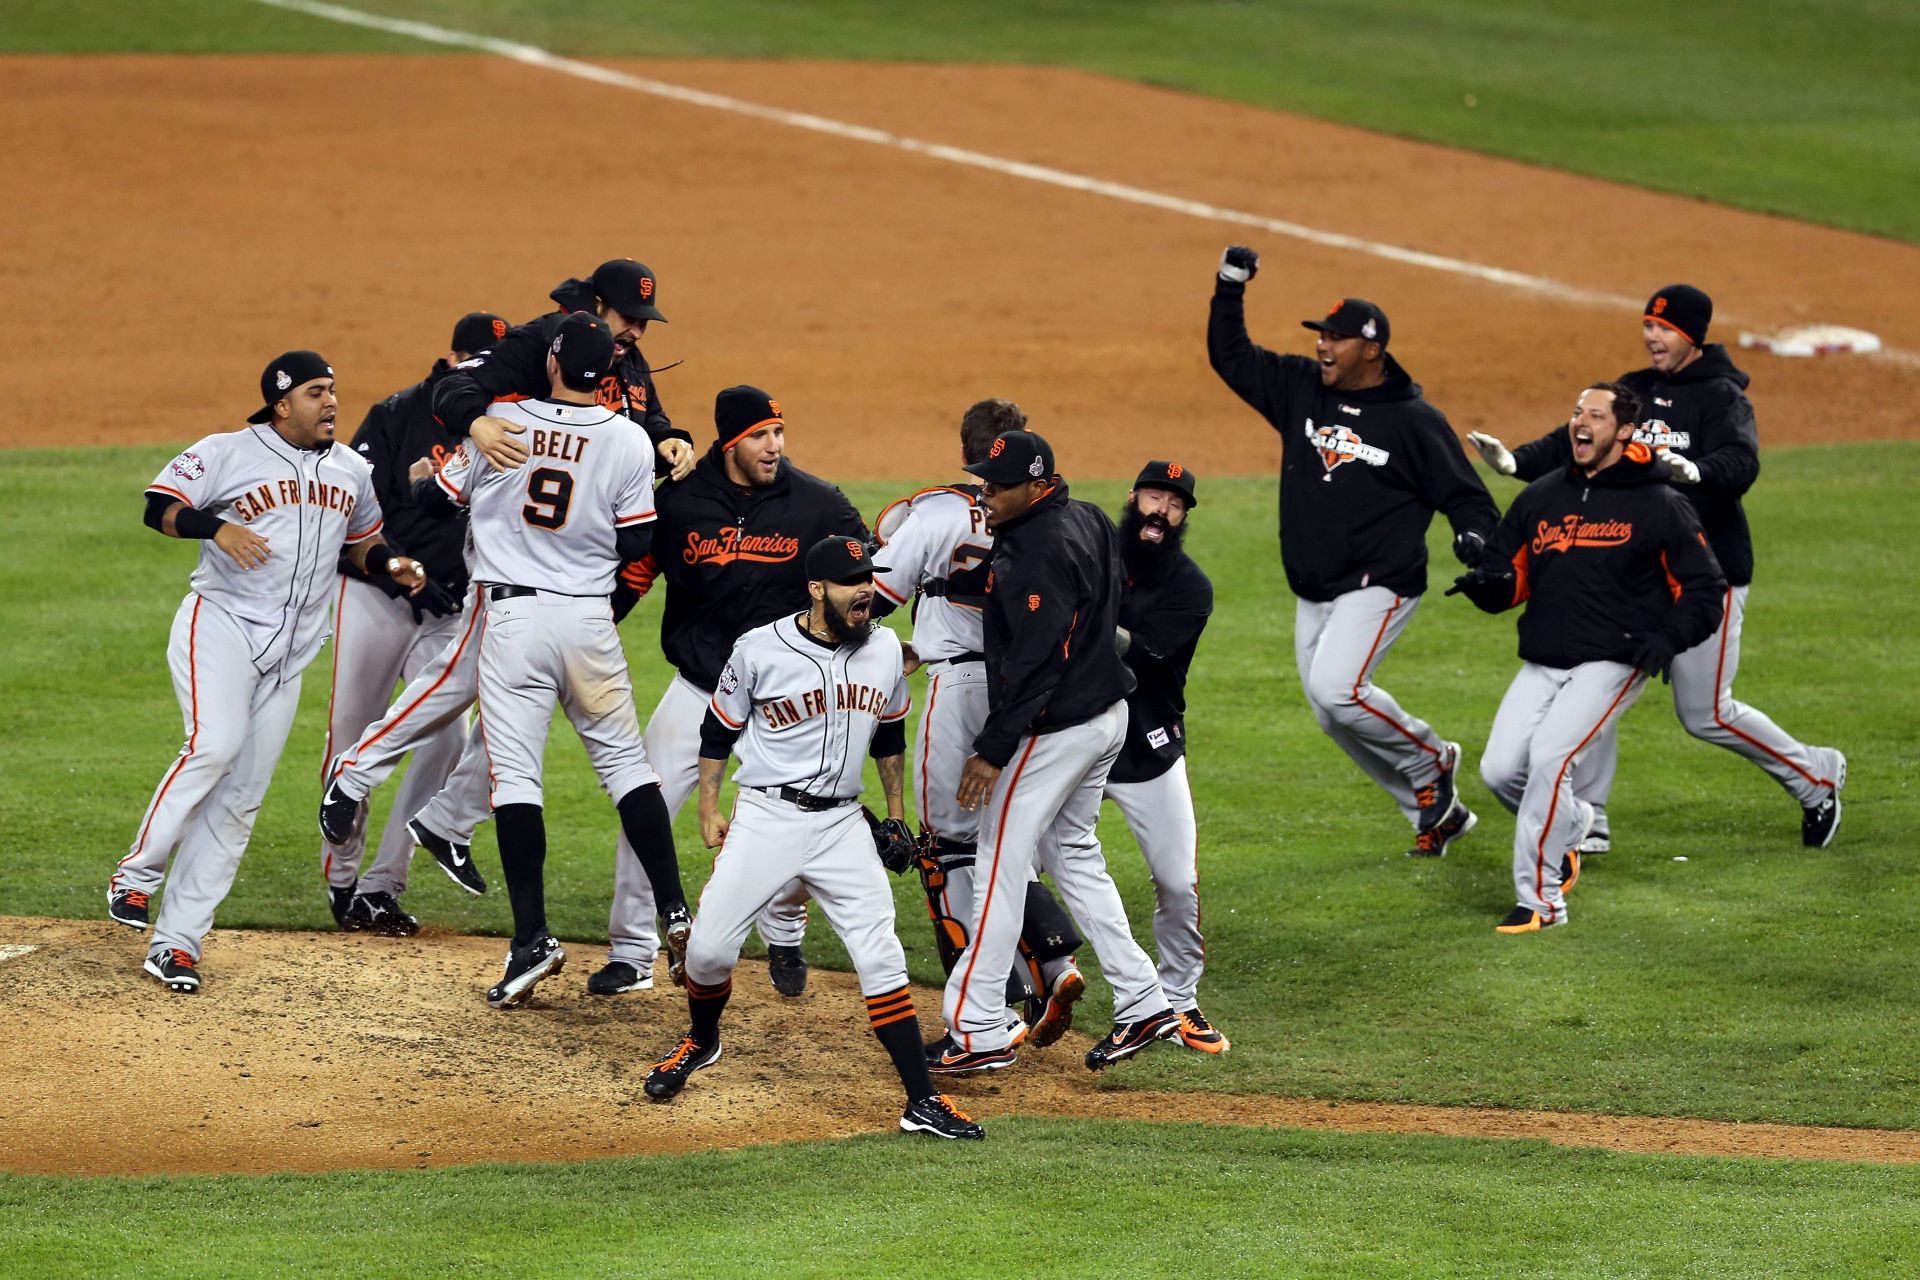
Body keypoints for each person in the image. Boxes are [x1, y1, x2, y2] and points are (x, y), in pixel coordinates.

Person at [1466, 285, 1846, 851]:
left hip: (1704, 573)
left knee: (1705, 713)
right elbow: (1578, 441)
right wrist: (1515, 461)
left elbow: (1742, 461)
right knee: (1595, 674)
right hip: (1635, 571)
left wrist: (1696, 472)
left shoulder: (1721, 397)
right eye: (1648, 325)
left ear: (1692, 336)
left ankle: (1815, 776)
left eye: (1664, 329)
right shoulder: (1635, 389)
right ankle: (1587, 814)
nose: (1652, 337)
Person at [642, 536, 984, 1140]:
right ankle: (702, 1038)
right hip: (766, 818)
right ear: (816, 589)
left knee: (881, 953)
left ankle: (921, 1102)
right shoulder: (758, 649)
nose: (867, 593)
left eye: (869, 580)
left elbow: (888, 736)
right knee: (708, 952)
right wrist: (708, 810)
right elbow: (718, 732)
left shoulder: (882, 648)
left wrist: (897, 815)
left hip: (842, 824)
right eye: (853, 582)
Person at [112, 351, 429, 991]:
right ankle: (137, 874)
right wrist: (217, 528)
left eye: (334, 390)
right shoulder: (228, 452)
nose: (332, 402)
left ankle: (176, 944)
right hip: (220, 625)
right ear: (282, 403)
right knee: (213, 745)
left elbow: (363, 541)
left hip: (288, 656)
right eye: (317, 392)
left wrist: (390, 566)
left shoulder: (350, 470)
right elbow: (159, 505)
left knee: (240, 802)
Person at [412, 313, 692, 1007]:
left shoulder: (504, 421)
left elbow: (435, 499)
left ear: (553, 364)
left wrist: (428, 477)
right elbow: (635, 547)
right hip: (589, 624)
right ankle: (676, 909)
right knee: (627, 769)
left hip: (515, 623)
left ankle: (532, 937)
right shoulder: (629, 440)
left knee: (516, 781)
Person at [1207, 245, 1500, 858]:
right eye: (1321, 335)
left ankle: (1432, 758)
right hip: (1314, 583)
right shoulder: (1299, 389)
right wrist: (1230, 285)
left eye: (1337, 339)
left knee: (1340, 690)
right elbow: (1231, 357)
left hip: (1381, 580)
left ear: (1371, 349)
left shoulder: (1414, 421)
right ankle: (1431, 812)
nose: (1322, 346)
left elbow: (1468, 497)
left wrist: (1475, 537)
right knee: (1329, 712)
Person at [593, 386, 870, 999]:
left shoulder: (816, 504)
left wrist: (865, 641)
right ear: (730, 441)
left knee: (798, 818)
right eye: (760, 436)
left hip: (785, 703)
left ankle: (786, 928)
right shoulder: (682, 501)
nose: (774, 445)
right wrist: (587, 626)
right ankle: (633, 950)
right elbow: (637, 574)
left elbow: (865, 576)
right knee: (647, 806)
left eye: (779, 432)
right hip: (698, 687)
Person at [930, 429, 1178, 1075]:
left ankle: (978, 1029)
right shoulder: (1086, 515)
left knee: (996, 866)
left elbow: (1038, 662)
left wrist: (991, 749)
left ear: (1037, 486)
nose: (985, 493)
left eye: (998, 485)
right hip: (1107, 718)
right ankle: (1146, 999)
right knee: (1072, 853)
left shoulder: (1034, 555)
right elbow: (1089, 589)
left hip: (1057, 731)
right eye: (983, 480)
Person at [1448, 382, 1726, 931]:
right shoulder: (1543, 495)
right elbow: (1511, 577)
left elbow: (1705, 589)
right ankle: (1572, 829)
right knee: (1501, 770)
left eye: (1595, 415)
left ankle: (1543, 901)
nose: (1581, 422)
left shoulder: (1661, 504)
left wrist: (1668, 638)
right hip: (1546, 657)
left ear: (1624, 431)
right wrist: (1487, 582)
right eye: (1577, 412)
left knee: (1551, 758)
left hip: (1614, 659)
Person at [869, 398, 1087, 1056]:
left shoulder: (937, 512)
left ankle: (988, 1013)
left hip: (959, 688)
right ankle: (1054, 967)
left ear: (969, 455)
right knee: (1003, 841)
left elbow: (872, 596)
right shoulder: (1056, 518)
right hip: (1031, 696)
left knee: (947, 851)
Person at [317, 311, 503, 936]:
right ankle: (342, 882)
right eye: (477, 365)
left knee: (446, 738)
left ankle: (382, 884)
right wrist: (402, 567)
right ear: (454, 361)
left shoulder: (508, 426)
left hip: (449, 611)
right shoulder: (400, 413)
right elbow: (357, 514)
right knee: (351, 733)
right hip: (375, 596)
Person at [1095, 460, 1226, 1051]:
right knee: (1023, 863)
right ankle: (1035, 982)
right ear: (1133, 498)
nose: (1161, 512)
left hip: (1150, 747)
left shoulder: (1190, 587)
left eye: (1174, 505)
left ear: (1182, 518)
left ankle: (1180, 999)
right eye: (1153, 497)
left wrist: (1088, 618)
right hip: (1078, 741)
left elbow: (1141, 656)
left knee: (1177, 881)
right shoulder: (1098, 553)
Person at [433, 257, 696, 484]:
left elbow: (649, 415)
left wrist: (664, 439)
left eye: (644, 323)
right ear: (597, 305)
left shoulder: (626, 354)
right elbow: (453, 383)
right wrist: (476, 422)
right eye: (629, 319)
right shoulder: (539, 343)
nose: (637, 333)